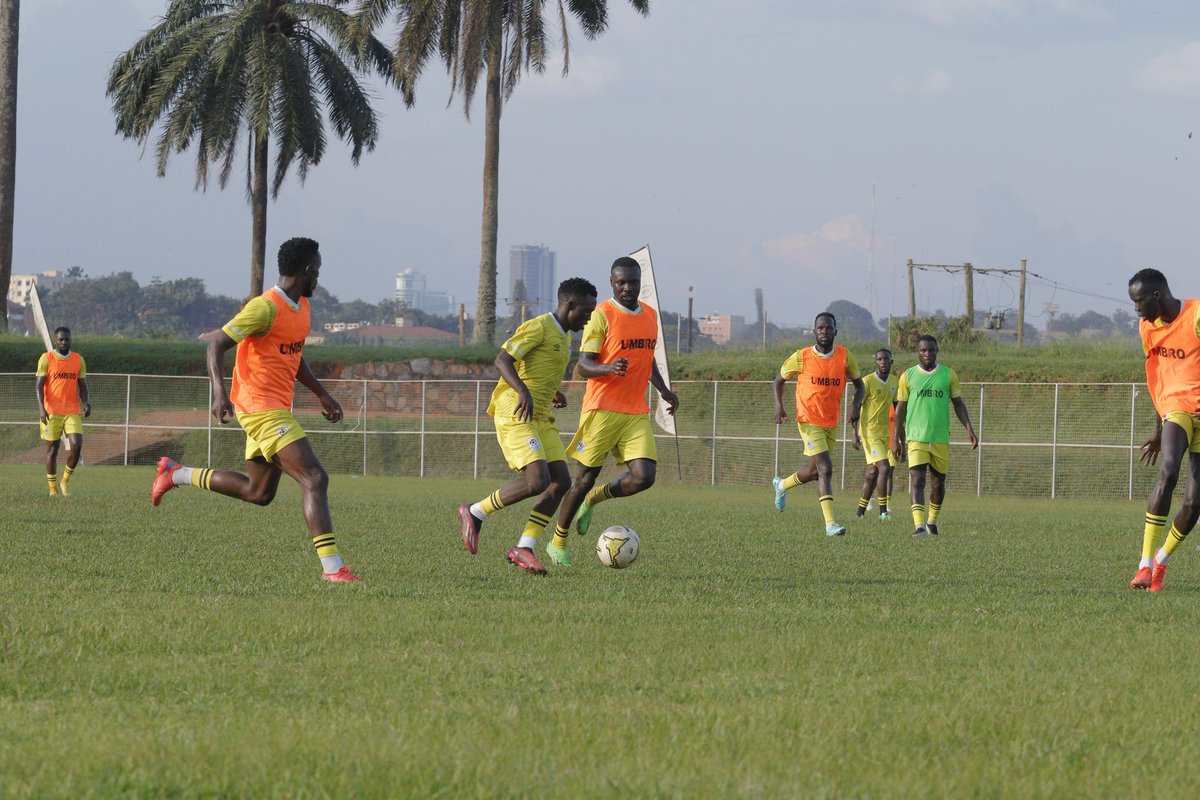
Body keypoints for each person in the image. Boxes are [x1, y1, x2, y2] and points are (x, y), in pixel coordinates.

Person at [150, 237, 359, 583]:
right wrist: (219, 394)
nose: (319, 277)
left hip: (274, 407)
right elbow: (216, 344)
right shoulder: (265, 307)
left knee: (258, 492)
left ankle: (176, 473)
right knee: (315, 478)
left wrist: (322, 394)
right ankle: (333, 569)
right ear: (307, 270)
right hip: (259, 408)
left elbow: (293, 355)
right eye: (318, 270)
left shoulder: (302, 307)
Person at [457, 278, 599, 574]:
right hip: (516, 410)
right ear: (569, 304)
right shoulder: (539, 326)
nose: (588, 318)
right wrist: (523, 391)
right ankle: (476, 511)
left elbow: (536, 369)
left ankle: (524, 546)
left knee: (561, 482)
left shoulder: (563, 336)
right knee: (537, 481)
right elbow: (502, 360)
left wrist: (553, 392)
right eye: (586, 311)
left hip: (540, 414)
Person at [548, 257, 679, 555]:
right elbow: (583, 365)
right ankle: (558, 541)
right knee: (583, 479)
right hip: (602, 409)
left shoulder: (650, 315)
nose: (628, 288)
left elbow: (647, 358)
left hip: (635, 411)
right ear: (612, 283)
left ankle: (596, 498)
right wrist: (608, 368)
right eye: (621, 283)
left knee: (644, 477)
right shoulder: (602, 315)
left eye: (633, 282)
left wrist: (664, 391)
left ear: (640, 283)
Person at [1126, 268, 1200, 592]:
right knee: (1168, 470)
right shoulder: (1148, 327)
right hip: (1176, 408)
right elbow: (1156, 377)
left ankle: (1161, 560)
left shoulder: (1195, 315)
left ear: (1157, 295)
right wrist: (1159, 428)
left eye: (1139, 302)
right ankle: (1144, 564)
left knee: (1193, 504)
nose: (1137, 310)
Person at [771, 312, 865, 536]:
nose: (824, 331)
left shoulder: (844, 356)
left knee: (814, 472)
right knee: (825, 468)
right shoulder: (801, 356)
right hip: (808, 419)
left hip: (830, 421)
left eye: (828, 328)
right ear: (814, 331)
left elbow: (860, 385)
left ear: (835, 331)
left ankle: (782, 485)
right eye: (820, 328)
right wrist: (779, 406)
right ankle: (830, 524)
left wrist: (855, 406)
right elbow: (778, 381)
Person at [891, 334, 978, 537]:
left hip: (940, 438)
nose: (927, 353)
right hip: (916, 438)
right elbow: (900, 409)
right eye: (923, 350)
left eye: (931, 350)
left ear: (937, 351)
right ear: (917, 352)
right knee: (918, 480)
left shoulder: (948, 375)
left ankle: (931, 521)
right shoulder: (908, 376)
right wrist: (895, 439)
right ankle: (919, 526)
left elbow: (958, 404)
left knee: (938, 484)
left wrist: (969, 429)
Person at [36, 326, 91, 496]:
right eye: (61, 339)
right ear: (55, 341)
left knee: (77, 445)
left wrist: (86, 402)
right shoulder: (46, 358)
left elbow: (82, 385)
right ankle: (52, 489)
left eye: (67, 339)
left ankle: (64, 481)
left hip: (72, 410)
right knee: (52, 449)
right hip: (51, 411)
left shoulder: (78, 360)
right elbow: (39, 386)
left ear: (70, 340)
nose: (64, 342)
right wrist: (42, 408)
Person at [854, 348, 898, 520]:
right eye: (879, 359)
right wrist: (854, 433)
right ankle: (883, 511)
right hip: (869, 432)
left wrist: (899, 438)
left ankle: (860, 513)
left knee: (872, 473)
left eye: (886, 359)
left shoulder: (894, 382)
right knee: (884, 468)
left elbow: (898, 410)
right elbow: (856, 406)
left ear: (891, 361)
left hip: (885, 433)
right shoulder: (868, 381)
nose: (883, 362)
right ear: (875, 362)